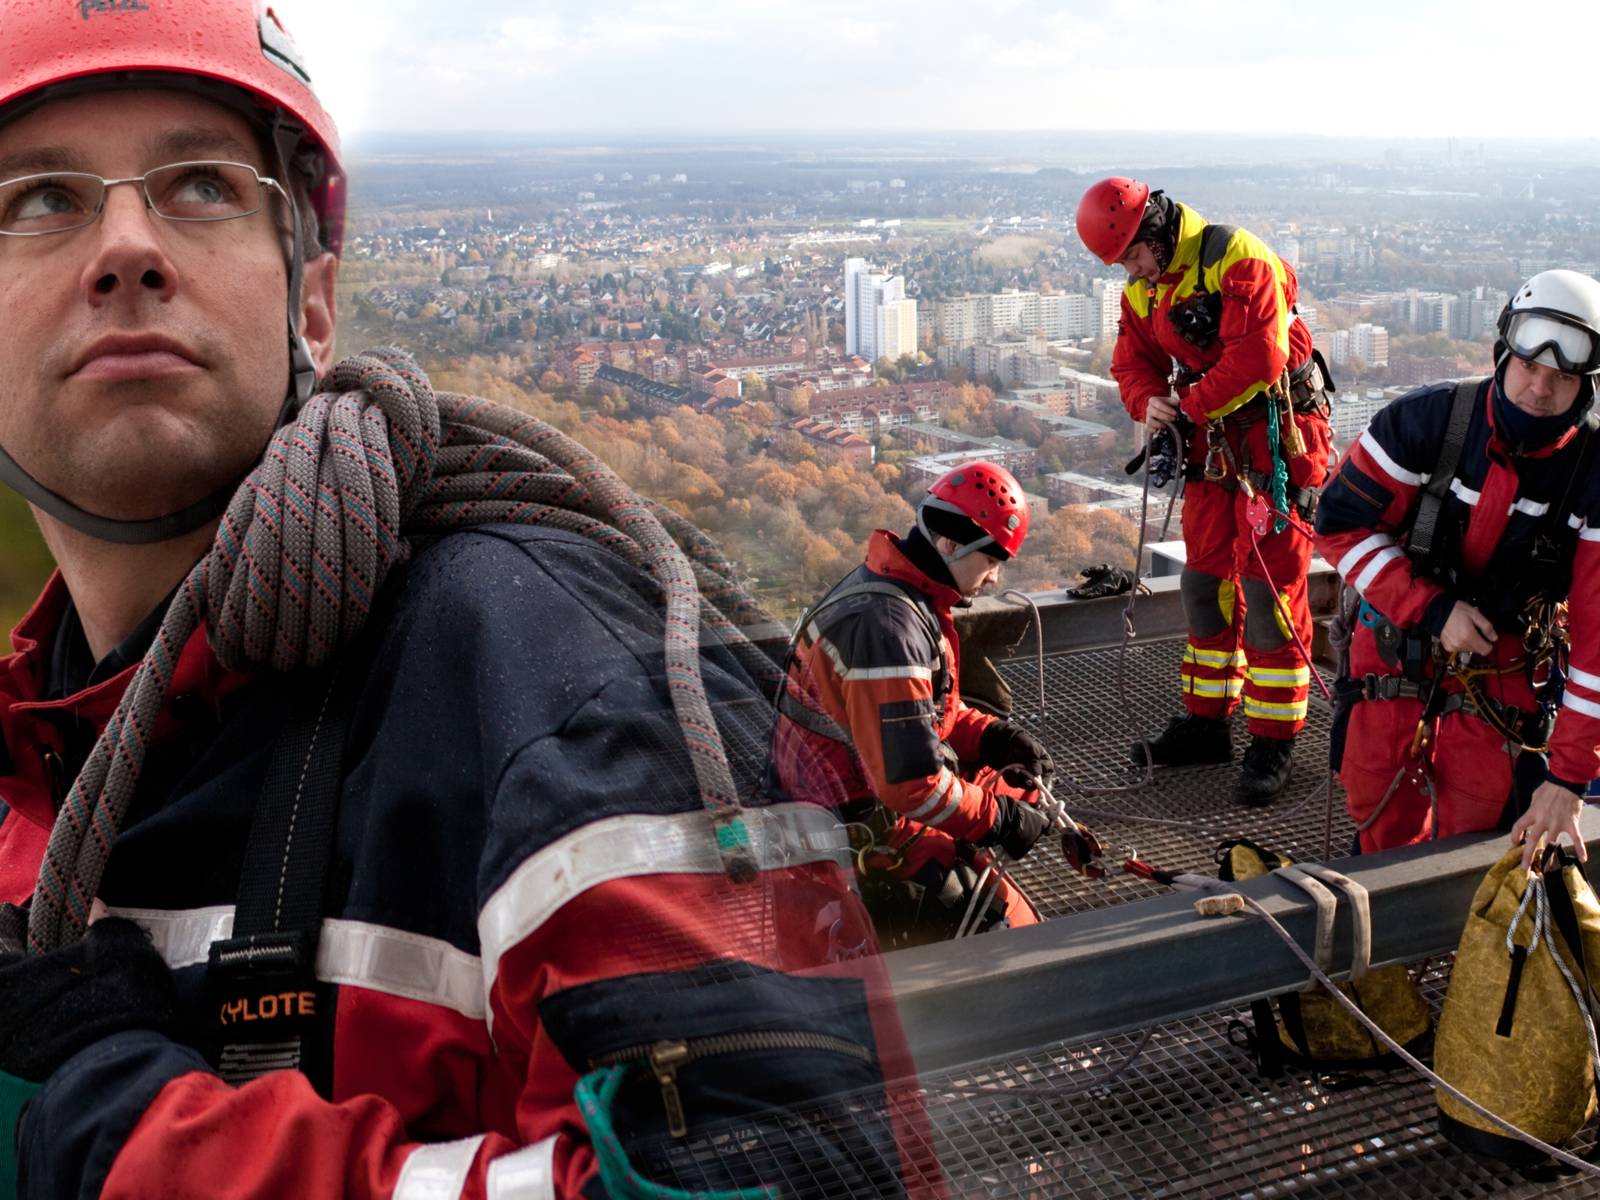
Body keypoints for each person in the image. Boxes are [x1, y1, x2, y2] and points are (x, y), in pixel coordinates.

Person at [0, 5, 928, 1198]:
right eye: (38, 200)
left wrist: (129, 1134)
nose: (126, 247)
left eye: (201, 187)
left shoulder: (542, 674)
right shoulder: (40, 749)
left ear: (312, 294)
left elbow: (800, 1173)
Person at [1314, 269, 1600, 864]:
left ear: (1586, 386)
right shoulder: (1426, 422)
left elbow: (1598, 646)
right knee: (1378, 802)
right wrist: (1432, 607)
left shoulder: (1594, 473)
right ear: (1503, 355)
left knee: (1479, 825)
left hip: (1509, 656)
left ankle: (1454, 934)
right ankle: (1383, 929)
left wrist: (1568, 779)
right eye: (1528, 366)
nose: (1539, 388)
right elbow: (1339, 524)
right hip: (1399, 637)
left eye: (1562, 377)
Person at [1076, 176, 1334, 806]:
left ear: (1157, 230)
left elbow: (1260, 360)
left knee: (1269, 593)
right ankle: (1206, 721)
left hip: (1276, 442)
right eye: (1125, 264)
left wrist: (1185, 406)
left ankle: (1274, 739)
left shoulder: (1235, 259)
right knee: (1205, 583)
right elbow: (1131, 361)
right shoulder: (1146, 287)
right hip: (1213, 444)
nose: (1133, 271)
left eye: (1136, 255)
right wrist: (1149, 402)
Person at [772, 461, 1056, 943]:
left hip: (847, 798)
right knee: (1012, 933)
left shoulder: (896, 594)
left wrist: (992, 737)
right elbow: (911, 786)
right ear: (950, 544)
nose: (992, 579)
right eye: (991, 562)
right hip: (858, 830)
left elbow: (928, 715)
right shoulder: (890, 628)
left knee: (1023, 792)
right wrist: (999, 819)